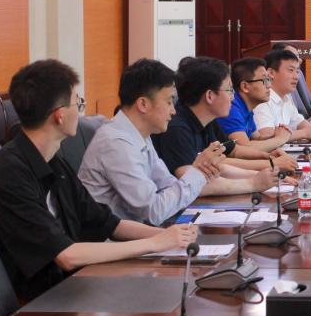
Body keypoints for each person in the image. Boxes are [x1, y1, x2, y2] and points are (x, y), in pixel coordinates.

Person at [0, 60, 197, 301]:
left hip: (75, 285)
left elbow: (107, 222)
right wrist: (155, 243)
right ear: (60, 115)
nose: (80, 111)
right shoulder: (10, 174)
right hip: (42, 302)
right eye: (78, 103)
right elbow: (66, 255)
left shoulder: (53, 162)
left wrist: (168, 235)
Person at [79, 60, 279, 224]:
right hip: (113, 245)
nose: (173, 110)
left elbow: (169, 185)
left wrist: (199, 172)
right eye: (168, 102)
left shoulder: (140, 135)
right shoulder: (116, 143)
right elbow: (154, 211)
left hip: (143, 233)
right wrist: (199, 172)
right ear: (143, 104)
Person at [152, 57, 297, 178]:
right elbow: (215, 167)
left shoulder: (209, 121)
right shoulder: (177, 129)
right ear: (210, 96)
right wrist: (271, 165)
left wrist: (268, 157)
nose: (233, 97)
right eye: (229, 90)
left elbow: (233, 151)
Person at [217, 57, 292, 151]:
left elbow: (256, 138)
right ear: (245, 86)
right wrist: (279, 139)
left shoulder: (246, 106)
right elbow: (244, 148)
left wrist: (277, 134)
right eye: (264, 80)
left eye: (268, 80)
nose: (269, 85)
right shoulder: (231, 108)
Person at [254, 47, 311, 141]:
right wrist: (305, 133)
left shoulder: (286, 96)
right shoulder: (261, 99)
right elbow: (267, 135)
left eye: (297, 71)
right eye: (291, 70)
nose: (296, 77)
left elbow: (299, 122)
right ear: (271, 73)